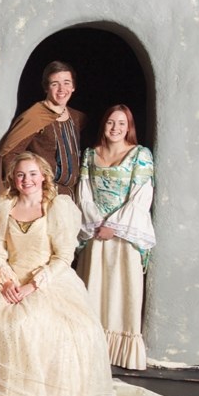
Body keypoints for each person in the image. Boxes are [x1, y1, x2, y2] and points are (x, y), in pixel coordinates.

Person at [0, 152, 191, 396]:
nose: (26, 180)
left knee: (64, 329)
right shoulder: (1, 207)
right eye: (20, 175)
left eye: (32, 174)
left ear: (43, 176)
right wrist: (6, 279)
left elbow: (63, 257)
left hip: (48, 279)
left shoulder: (57, 208)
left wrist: (33, 285)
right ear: (13, 179)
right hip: (11, 279)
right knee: (3, 324)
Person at [76, 105, 155, 370]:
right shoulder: (89, 155)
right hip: (96, 232)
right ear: (104, 124)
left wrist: (114, 227)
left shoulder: (140, 155)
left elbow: (141, 196)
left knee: (123, 292)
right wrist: (98, 224)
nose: (115, 128)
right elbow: (84, 192)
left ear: (129, 126)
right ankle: (93, 349)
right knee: (94, 288)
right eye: (111, 122)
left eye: (122, 123)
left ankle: (121, 354)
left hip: (124, 235)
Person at [0, 60, 86, 198]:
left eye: (67, 83)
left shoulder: (76, 117)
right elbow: (10, 154)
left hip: (73, 196)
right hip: (45, 196)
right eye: (55, 84)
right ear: (46, 88)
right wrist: (31, 188)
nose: (62, 89)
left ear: (73, 86)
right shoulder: (34, 117)